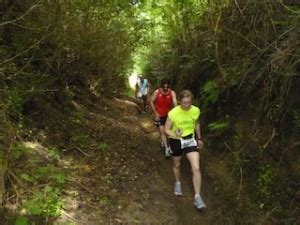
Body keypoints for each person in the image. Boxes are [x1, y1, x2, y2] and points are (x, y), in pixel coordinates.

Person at [164, 90, 206, 210]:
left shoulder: (196, 110)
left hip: (190, 140)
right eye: (184, 103)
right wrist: (174, 133)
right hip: (176, 140)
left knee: (196, 168)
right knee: (177, 164)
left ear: (191, 101)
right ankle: (178, 183)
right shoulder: (173, 113)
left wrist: (199, 138)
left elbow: (196, 123)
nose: (186, 105)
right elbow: (166, 129)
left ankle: (197, 197)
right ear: (179, 102)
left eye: (189, 102)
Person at [150, 78, 177, 158]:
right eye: (164, 86)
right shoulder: (157, 92)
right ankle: (167, 149)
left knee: (167, 132)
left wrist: (175, 112)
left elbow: (175, 102)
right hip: (159, 115)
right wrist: (155, 113)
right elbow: (151, 101)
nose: (165, 88)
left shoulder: (172, 93)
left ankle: (164, 142)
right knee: (162, 132)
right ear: (162, 86)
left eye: (167, 86)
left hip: (168, 116)